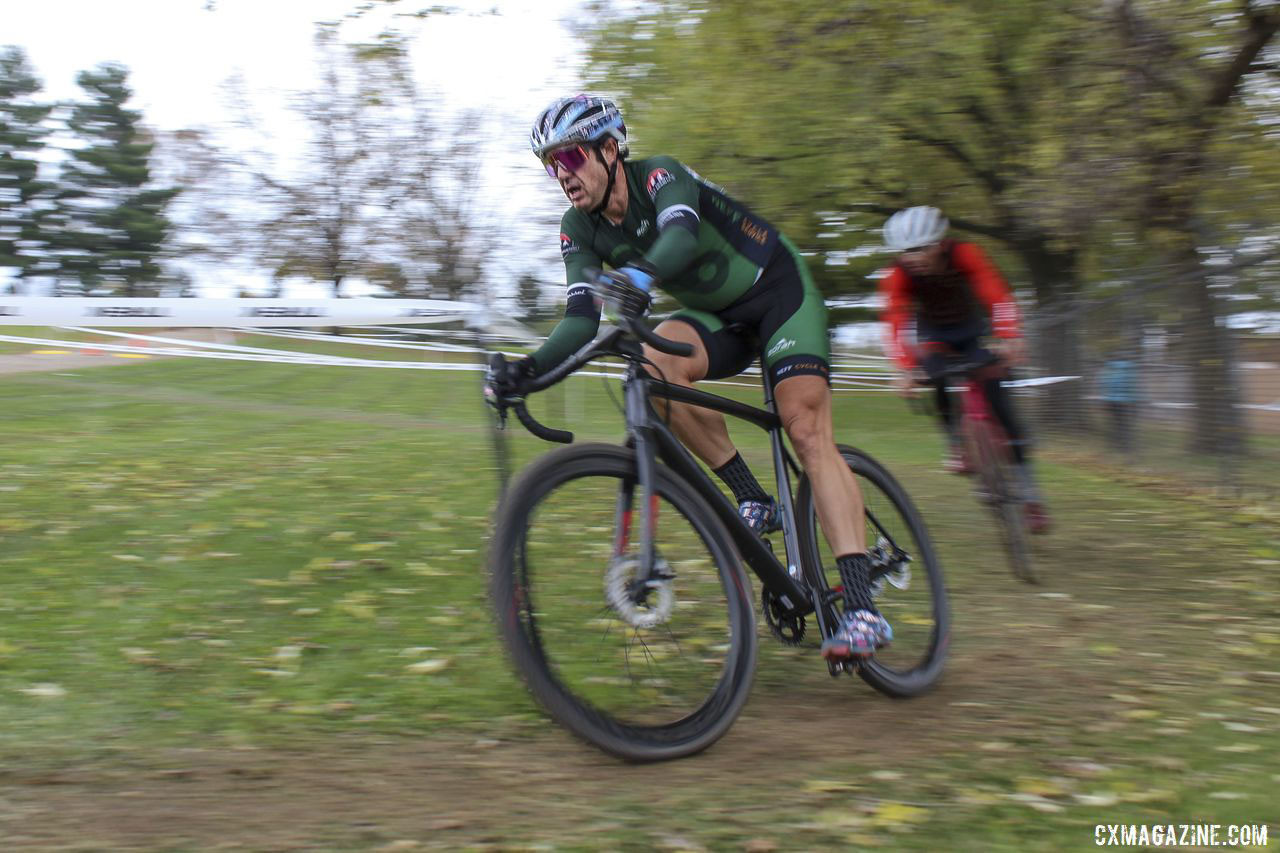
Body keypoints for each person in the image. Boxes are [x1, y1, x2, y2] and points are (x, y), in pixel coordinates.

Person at [488, 94, 890, 659]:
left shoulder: (660, 175)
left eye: (571, 158)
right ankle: (753, 497)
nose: (562, 175)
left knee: (803, 428)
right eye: (550, 164)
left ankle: (862, 609)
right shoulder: (577, 227)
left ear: (609, 149)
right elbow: (581, 318)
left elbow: (677, 236)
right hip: (718, 318)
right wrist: (527, 370)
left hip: (778, 293)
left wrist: (635, 275)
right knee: (654, 371)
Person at [878, 206, 1050, 533]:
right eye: (904, 252)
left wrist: (1009, 335)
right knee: (937, 377)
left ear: (939, 244)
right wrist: (903, 368)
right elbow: (896, 320)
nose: (911, 258)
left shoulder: (966, 254)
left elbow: (995, 292)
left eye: (919, 249)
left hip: (975, 333)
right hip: (935, 337)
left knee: (1005, 410)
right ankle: (957, 442)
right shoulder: (897, 274)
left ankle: (1031, 498)